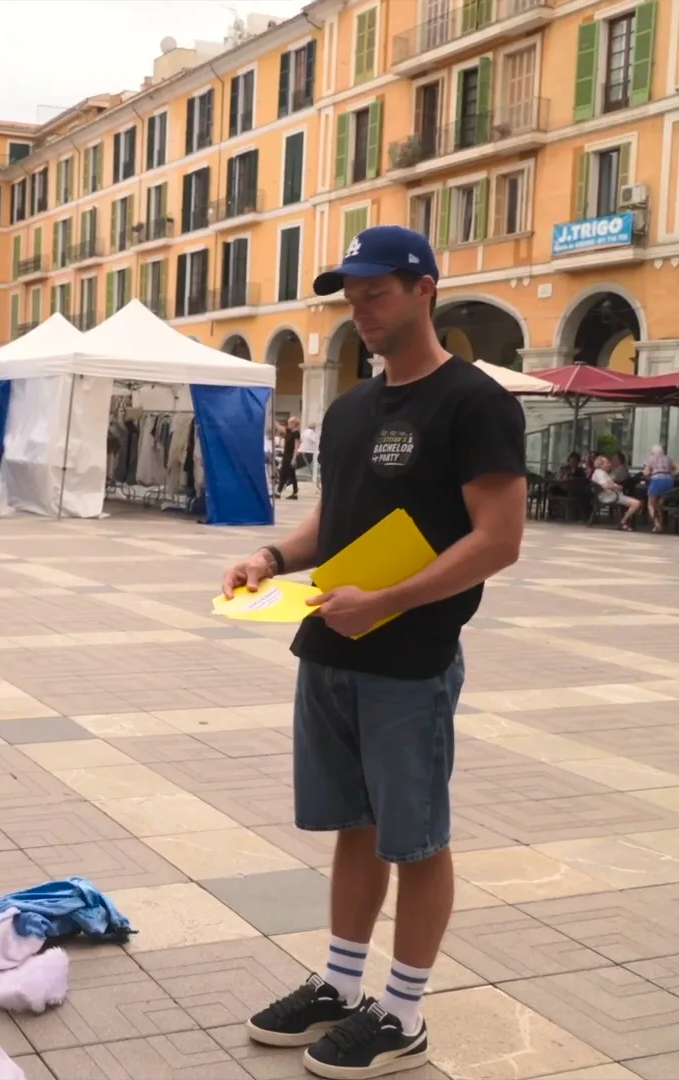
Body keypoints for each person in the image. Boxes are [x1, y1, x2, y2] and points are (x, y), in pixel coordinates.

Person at [225, 226, 525, 1080]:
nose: (359, 308)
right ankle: (342, 985)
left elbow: (499, 540)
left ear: (425, 288)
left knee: (416, 838)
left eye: (376, 292)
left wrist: (388, 602)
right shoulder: (354, 407)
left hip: (412, 658)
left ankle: (403, 1015)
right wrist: (274, 559)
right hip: (328, 643)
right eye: (350, 295)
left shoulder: (473, 402)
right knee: (353, 826)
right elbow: (338, 517)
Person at [590, 454, 641, 530]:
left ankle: (624, 522)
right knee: (637, 503)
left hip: (613, 494)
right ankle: (623, 521)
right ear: (601, 465)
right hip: (610, 496)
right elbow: (605, 486)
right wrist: (617, 486)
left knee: (635, 502)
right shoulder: (600, 473)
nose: (609, 464)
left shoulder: (601, 473)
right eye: (607, 463)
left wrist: (616, 486)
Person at [643, 444, 679, 533]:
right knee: (660, 505)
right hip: (669, 481)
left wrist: (645, 472)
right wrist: (672, 474)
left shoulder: (651, 458)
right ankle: (661, 525)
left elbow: (646, 473)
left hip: (657, 480)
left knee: (651, 504)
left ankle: (656, 524)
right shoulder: (667, 458)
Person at [276, 416, 302, 500]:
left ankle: (278, 492)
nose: (288, 424)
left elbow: (296, 446)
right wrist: (272, 418)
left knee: (284, 473)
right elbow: (280, 428)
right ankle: (295, 492)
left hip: (290, 456)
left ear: (294, 424)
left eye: (290, 422)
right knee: (292, 475)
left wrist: (294, 458)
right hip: (286, 455)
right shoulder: (289, 431)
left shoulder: (296, 433)